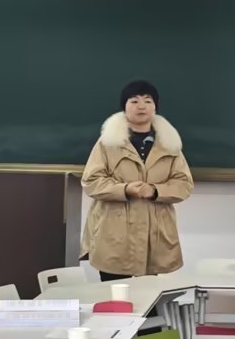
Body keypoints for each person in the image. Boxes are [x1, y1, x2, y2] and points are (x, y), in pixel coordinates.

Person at [82, 80, 194, 280]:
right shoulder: (107, 142)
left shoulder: (169, 144)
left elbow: (184, 184)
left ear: (155, 107)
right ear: (124, 107)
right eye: (134, 101)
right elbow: (92, 181)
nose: (141, 106)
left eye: (148, 101)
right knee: (115, 295)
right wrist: (124, 189)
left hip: (155, 236)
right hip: (114, 235)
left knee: (149, 296)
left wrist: (156, 191)